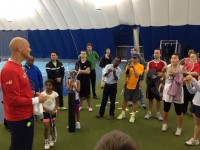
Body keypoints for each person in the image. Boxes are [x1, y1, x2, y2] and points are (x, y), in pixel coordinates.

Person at [0, 37, 48, 150]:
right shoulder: (10, 70)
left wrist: (36, 94)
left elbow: (23, 90)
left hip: (25, 116)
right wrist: (37, 100)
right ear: (20, 48)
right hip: (19, 119)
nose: (30, 49)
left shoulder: (18, 67)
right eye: (28, 47)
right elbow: (13, 100)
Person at [161, 53, 186, 136]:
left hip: (178, 90)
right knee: (166, 108)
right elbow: (162, 71)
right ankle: (165, 124)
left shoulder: (182, 68)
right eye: (172, 58)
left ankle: (179, 128)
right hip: (168, 89)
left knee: (178, 111)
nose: (173, 60)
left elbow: (186, 78)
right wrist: (165, 79)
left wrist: (178, 77)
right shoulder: (167, 66)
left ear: (179, 59)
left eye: (175, 58)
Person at [117, 54, 144, 123]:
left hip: (136, 87)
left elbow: (137, 75)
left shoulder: (141, 66)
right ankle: (123, 114)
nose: (134, 59)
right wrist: (128, 68)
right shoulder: (128, 66)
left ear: (138, 59)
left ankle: (133, 116)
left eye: (135, 58)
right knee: (125, 100)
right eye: (133, 58)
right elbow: (127, 75)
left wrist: (133, 68)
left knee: (135, 101)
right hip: (127, 86)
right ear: (131, 59)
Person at [144, 48, 166, 120]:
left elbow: (165, 73)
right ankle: (149, 113)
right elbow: (148, 72)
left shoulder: (163, 63)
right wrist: (157, 74)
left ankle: (158, 114)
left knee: (159, 100)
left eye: (157, 53)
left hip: (159, 85)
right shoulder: (150, 63)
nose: (155, 54)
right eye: (155, 53)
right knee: (150, 99)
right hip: (150, 84)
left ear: (160, 54)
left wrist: (161, 74)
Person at [42, 79, 59, 149]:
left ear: (52, 86)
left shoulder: (55, 94)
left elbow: (57, 103)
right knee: (46, 128)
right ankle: (46, 141)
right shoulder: (43, 94)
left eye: (50, 85)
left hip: (53, 113)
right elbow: (40, 104)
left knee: (52, 127)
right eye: (47, 85)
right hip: (45, 113)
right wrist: (45, 109)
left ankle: (51, 138)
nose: (48, 86)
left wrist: (54, 110)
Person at [184, 75, 200, 146]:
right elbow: (192, 92)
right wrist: (188, 84)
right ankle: (195, 139)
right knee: (197, 123)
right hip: (196, 103)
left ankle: (195, 139)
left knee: (198, 123)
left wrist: (193, 80)